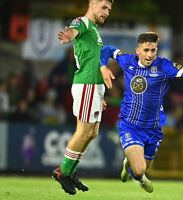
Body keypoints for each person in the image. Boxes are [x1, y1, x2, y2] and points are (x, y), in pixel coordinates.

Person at [100, 32, 183, 193]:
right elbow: (106, 50)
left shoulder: (164, 66)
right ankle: (138, 174)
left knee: (139, 169)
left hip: (153, 129)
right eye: (146, 50)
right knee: (140, 170)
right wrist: (103, 66)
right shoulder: (127, 60)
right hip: (130, 126)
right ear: (138, 50)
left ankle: (129, 164)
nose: (150, 54)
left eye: (153, 50)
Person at [52, 0, 115, 195]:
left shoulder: (94, 30)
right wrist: (69, 36)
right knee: (83, 131)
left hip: (94, 87)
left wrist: (99, 95)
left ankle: (69, 172)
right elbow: (74, 30)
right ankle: (63, 172)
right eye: (104, 7)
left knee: (92, 132)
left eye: (109, 10)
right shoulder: (83, 22)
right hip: (86, 84)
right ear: (93, 4)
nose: (106, 12)